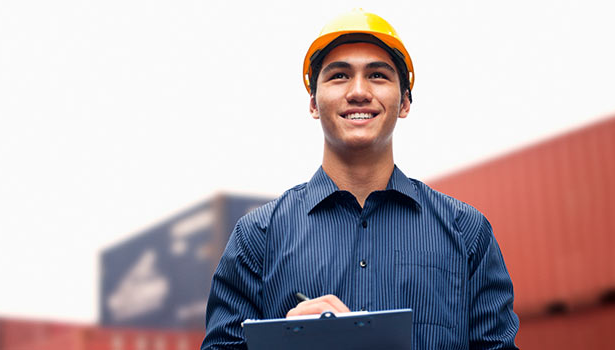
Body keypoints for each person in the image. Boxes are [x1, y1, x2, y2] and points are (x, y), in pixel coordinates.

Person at [201, 8, 519, 350]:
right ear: (313, 102)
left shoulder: (468, 233)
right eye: (339, 76)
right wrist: (285, 343)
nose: (358, 91)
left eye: (378, 75)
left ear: (405, 103)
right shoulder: (257, 239)